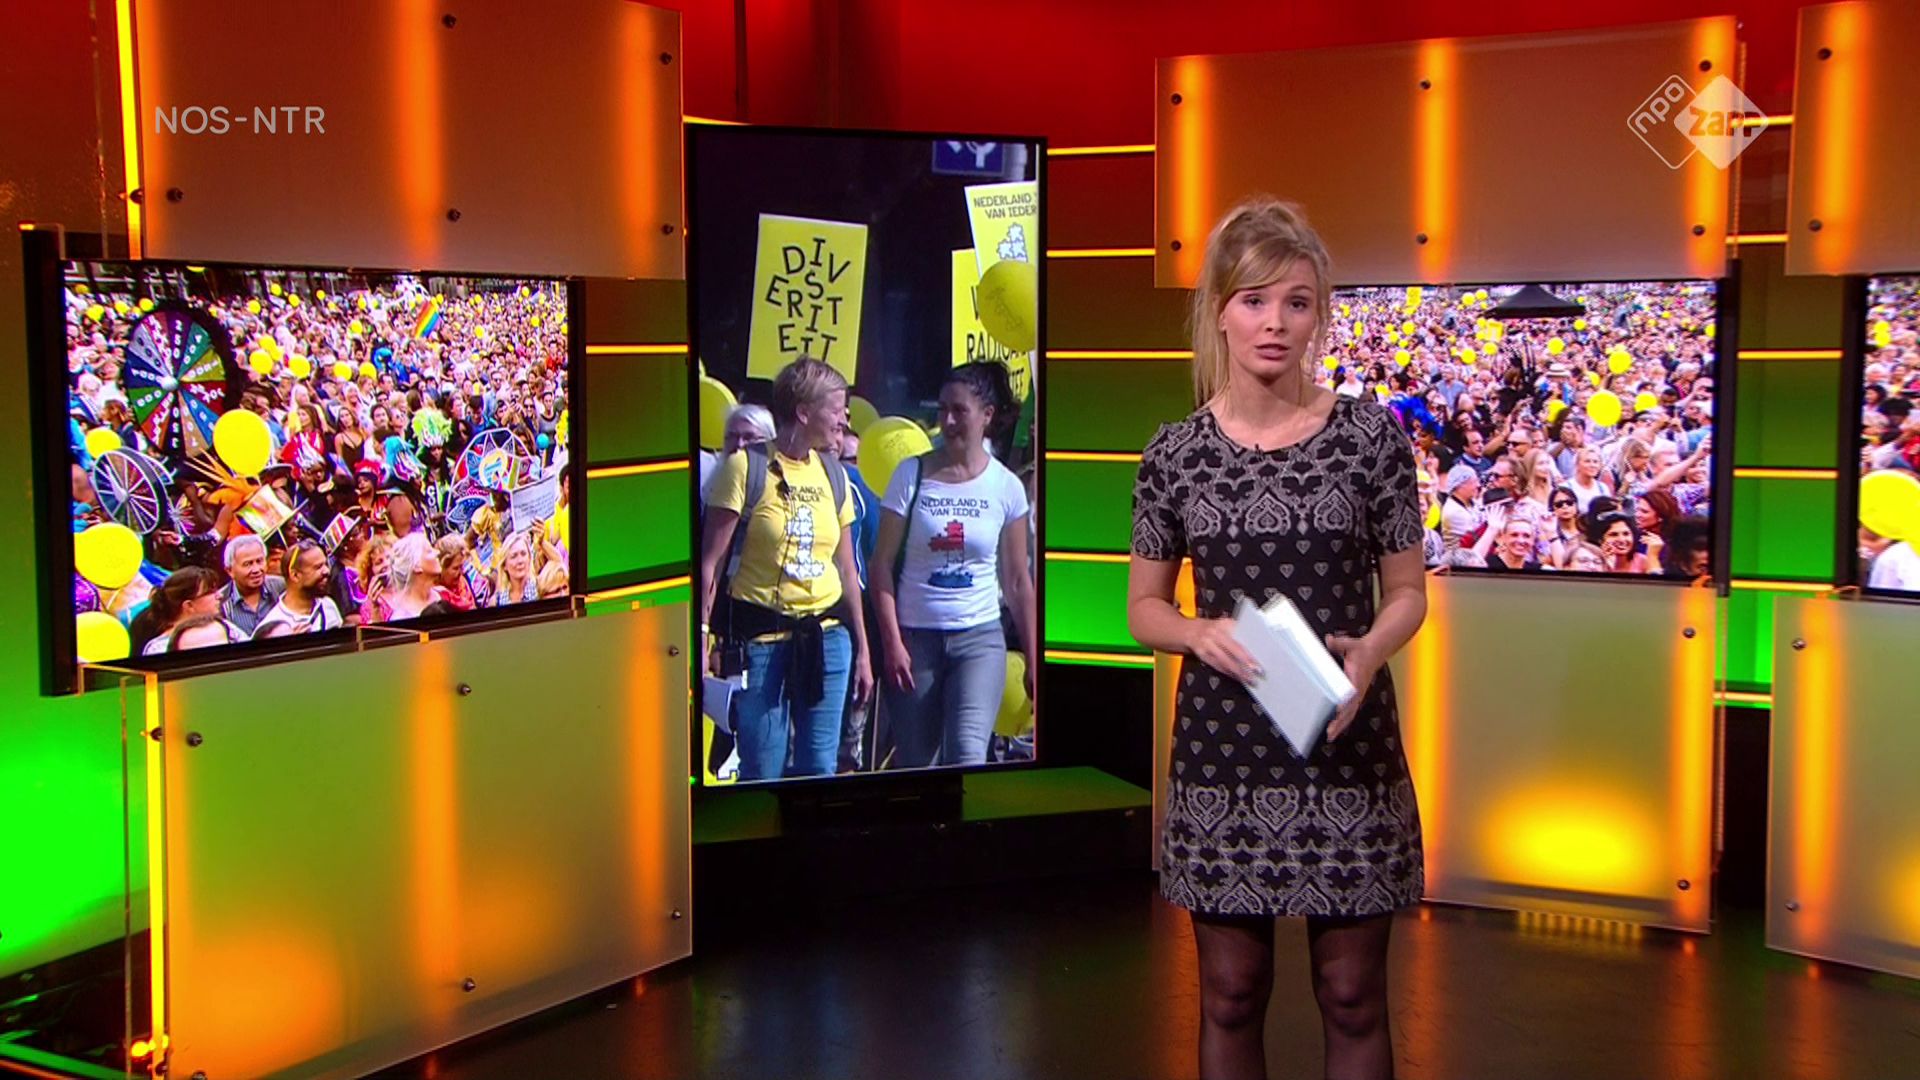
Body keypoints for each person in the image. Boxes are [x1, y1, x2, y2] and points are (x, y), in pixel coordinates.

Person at [1127, 198, 1427, 1080]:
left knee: (1352, 993)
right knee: (1229, 993)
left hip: (1345, 740)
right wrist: (1199, 632)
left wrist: (1370, 650)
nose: (1275, 323)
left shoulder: (1370, 438)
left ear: (1318, 316)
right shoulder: (1174, 454)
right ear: (1220, 310)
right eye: (1255, 300)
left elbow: (1408, 592)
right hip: (1223, 750)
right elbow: (1144, 609)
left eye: (1297, 303)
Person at [698, 357, 873, 782]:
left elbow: (848, 571)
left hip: (828, 638)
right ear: (804, 412)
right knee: (763, 769)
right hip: (760, 642)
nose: (844, 419)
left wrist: (864, 651)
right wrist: (701, 641)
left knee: (819, 768)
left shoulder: (834, 474)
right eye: (837, 409)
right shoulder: (746, 467)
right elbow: (710, 565)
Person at [872, 362, 1035, 769]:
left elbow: (1017, 581)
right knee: (918, 763)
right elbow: (881, 565)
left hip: (979, 641)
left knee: (967, 753)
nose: (947, 421)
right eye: (942, 409)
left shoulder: (1006, 487)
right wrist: (892, 643)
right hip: (915, 641)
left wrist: (1035, 656)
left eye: (959, 411)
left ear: (987, 416)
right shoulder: (911, 474)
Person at [252, 540, 345, 637]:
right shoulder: (273, 629)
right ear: (295, 575)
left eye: (325, 564)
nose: (327, 571)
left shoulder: (328, 604)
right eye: (318, 567)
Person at [132, 566, 227, 655]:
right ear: (189, 605)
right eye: (210, 592)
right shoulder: (159, 649)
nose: (220, 595)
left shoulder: (228, 628)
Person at [219, 534, 286, 635]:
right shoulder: (220, 602)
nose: (256, 570)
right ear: (230, 571)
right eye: (247, 564)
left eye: (259, 561)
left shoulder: (282, 587)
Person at [385, 533, 444, 621]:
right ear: (416, 566)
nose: (437, 552)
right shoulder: (402, 618)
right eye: (429, 551)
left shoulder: (442, 594)